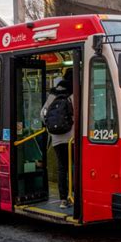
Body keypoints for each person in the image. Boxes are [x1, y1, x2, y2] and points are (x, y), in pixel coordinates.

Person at [40, 68, 74, 209]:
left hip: (56, 139)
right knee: (75, 167)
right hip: (72, 138)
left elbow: (42, 114)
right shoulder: (74, 92)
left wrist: (50, 129)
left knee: (62, 167)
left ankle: (63, 200)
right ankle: (75, 196)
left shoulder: (53, 94)